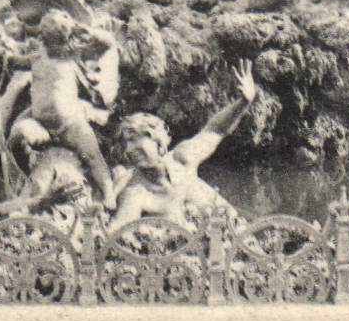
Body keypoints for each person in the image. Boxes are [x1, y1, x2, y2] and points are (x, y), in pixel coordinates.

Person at [108, 60, 257, 233]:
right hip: (192, 256)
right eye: (126, 144)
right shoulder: (135, 192)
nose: (129, 149)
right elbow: (118, 233)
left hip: (237, 237)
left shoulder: (183, 158)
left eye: (134, 139)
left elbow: (216, 129)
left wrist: (244, 102)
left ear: (157, 140)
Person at [5, 9, 120, 205]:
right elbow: (17, 62)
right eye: (49, 37)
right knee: (13, 139)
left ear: (67, 38)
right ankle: (19, 180)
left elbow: (108, 43)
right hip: (38, 121)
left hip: (69, 122)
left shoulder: (72, 54)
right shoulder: (37, 56)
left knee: (93, 155)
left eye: (59, 37)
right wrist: (4, 58)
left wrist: (91, 32)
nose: (53, 44)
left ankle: (109, 193)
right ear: (43, 37)